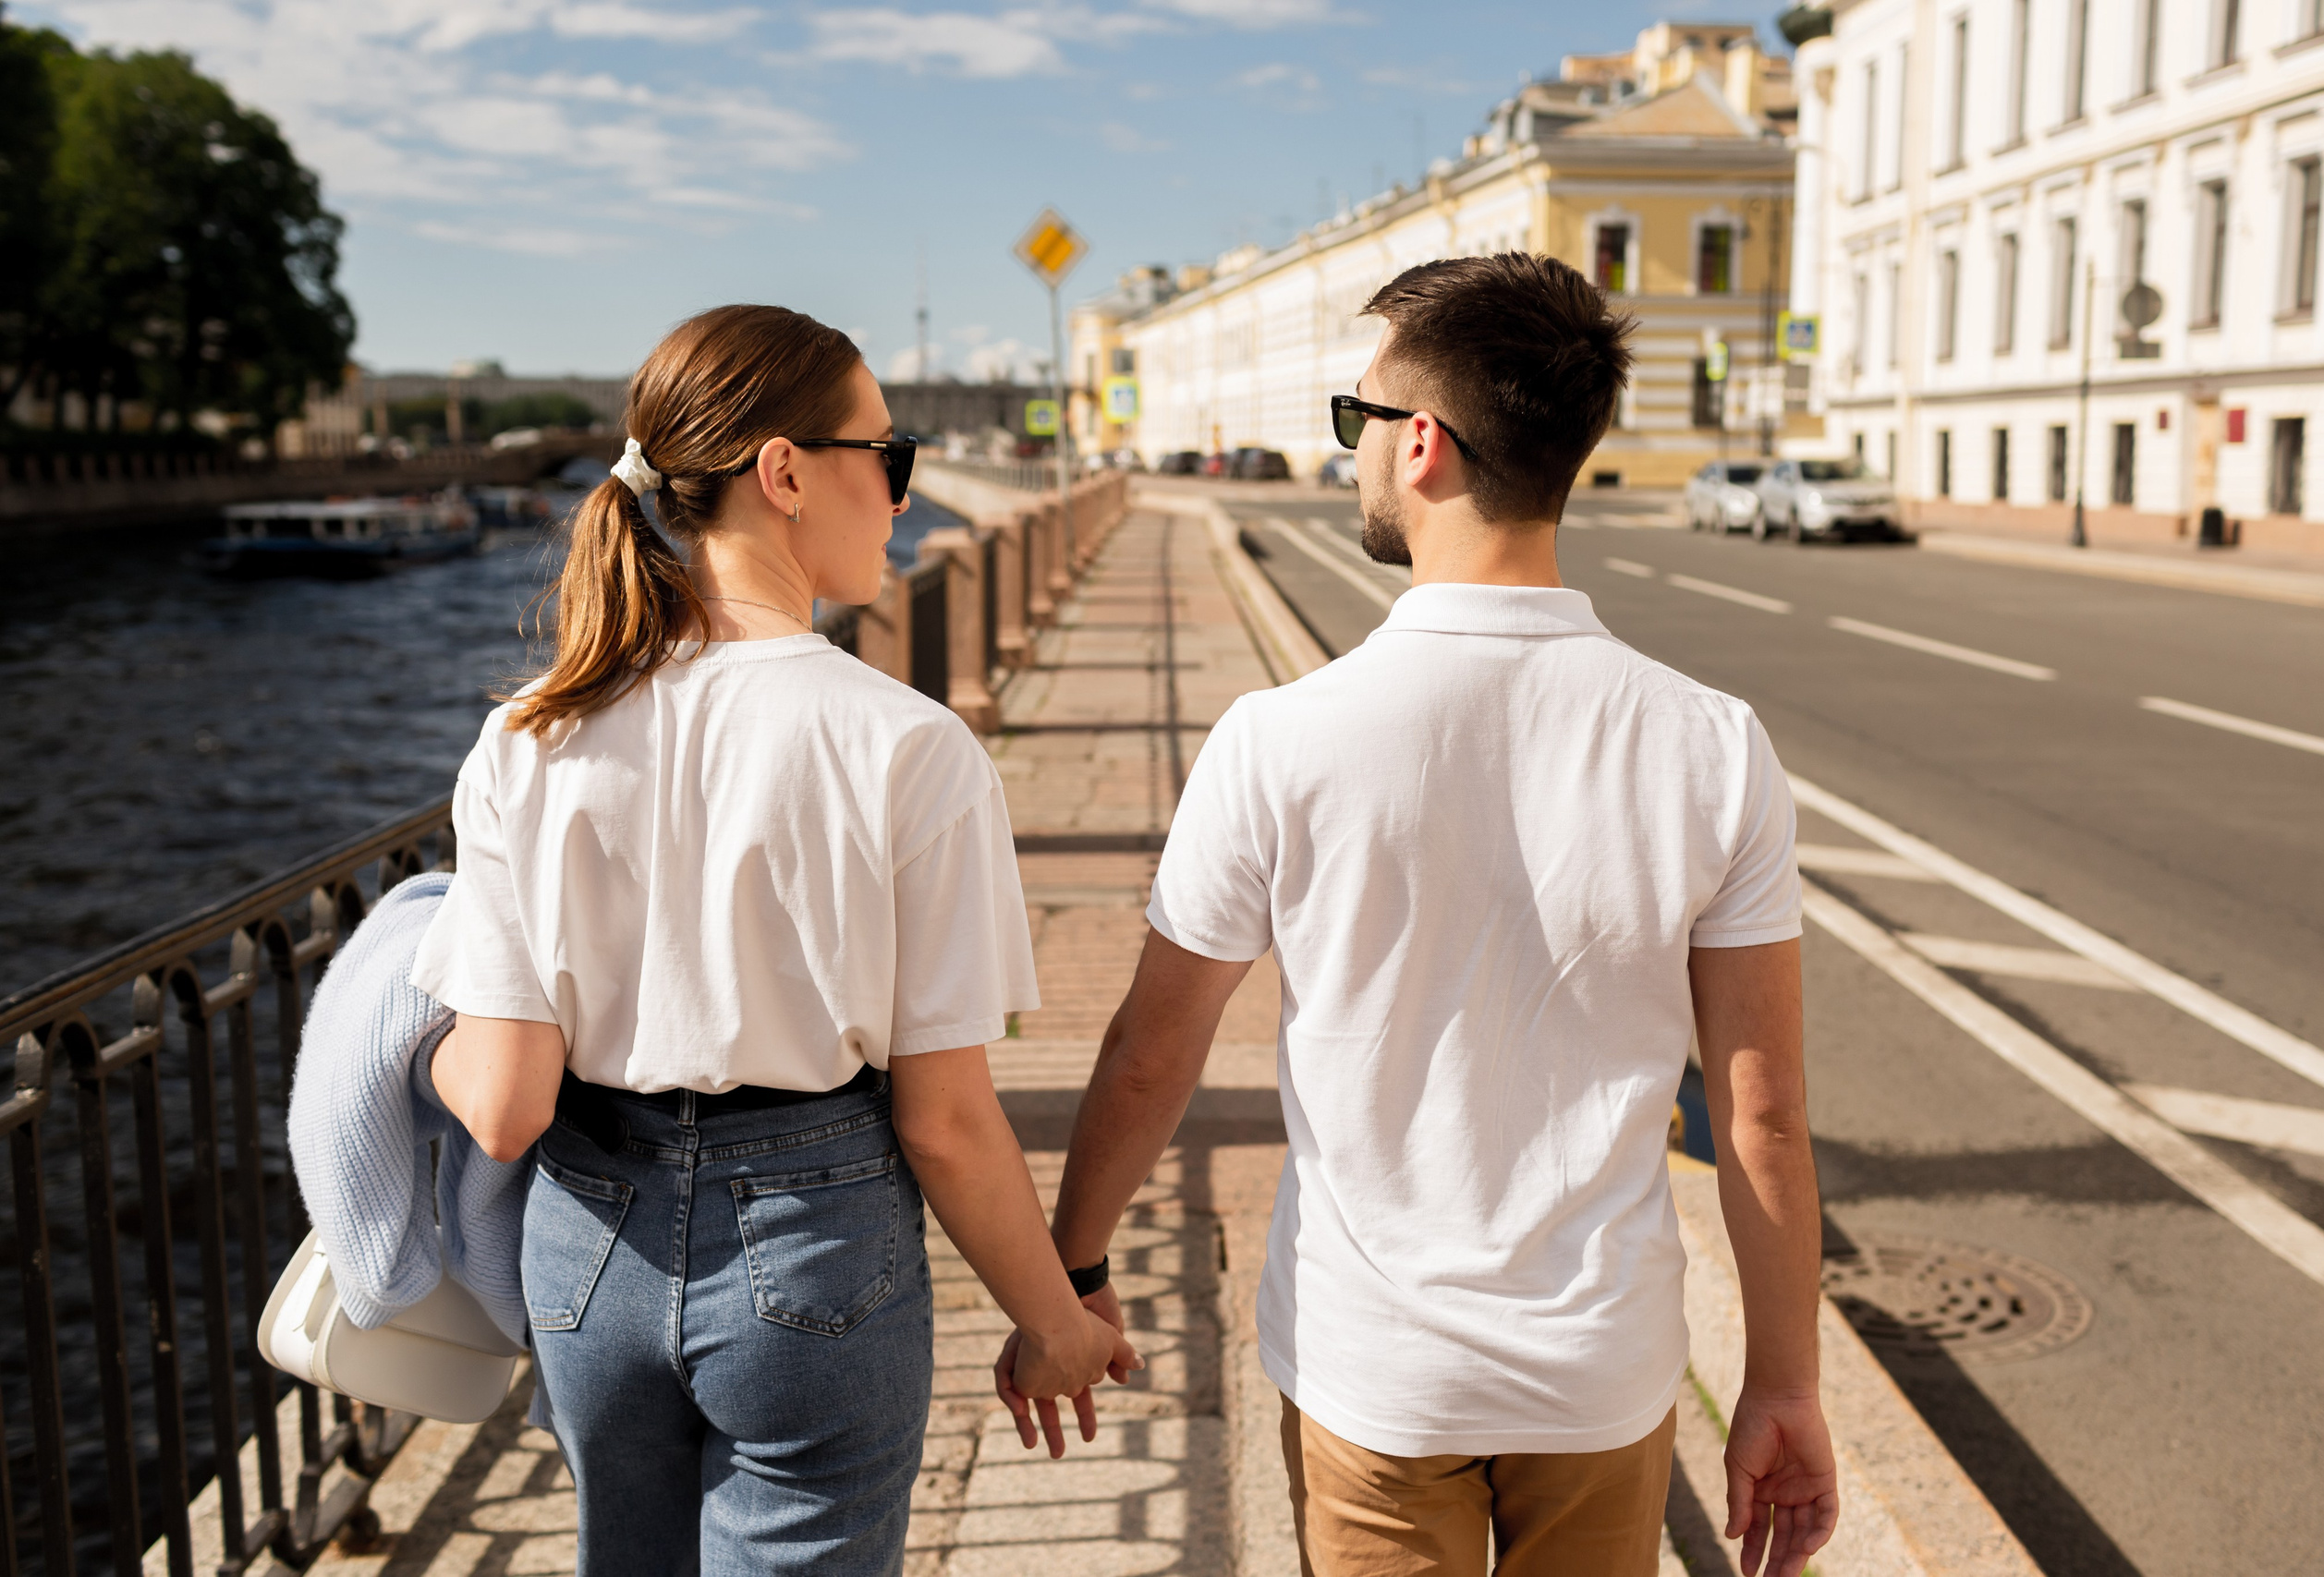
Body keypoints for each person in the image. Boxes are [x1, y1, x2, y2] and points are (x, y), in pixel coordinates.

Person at [1036, 256, 1839, 1577]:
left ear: (1422, 446)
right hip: (1601, 1369)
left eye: (1355, 422)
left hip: (1376, 1371)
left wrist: (1070, 1273)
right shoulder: (1712, 745)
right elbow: (1764, 1117)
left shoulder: (1278, 741)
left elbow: (1152, 1051)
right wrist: (1783, 1388)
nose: (1348, 454)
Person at [411, 304, 1138, 1577]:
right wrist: (1055, 1319)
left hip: (588, 1251)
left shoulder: (530, 735)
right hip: (814, 1240)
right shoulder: (906, 748)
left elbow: (506, 1102)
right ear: (786, 473)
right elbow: (947, 1121)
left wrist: (410, 1042)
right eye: (889, 458)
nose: (903, 500)